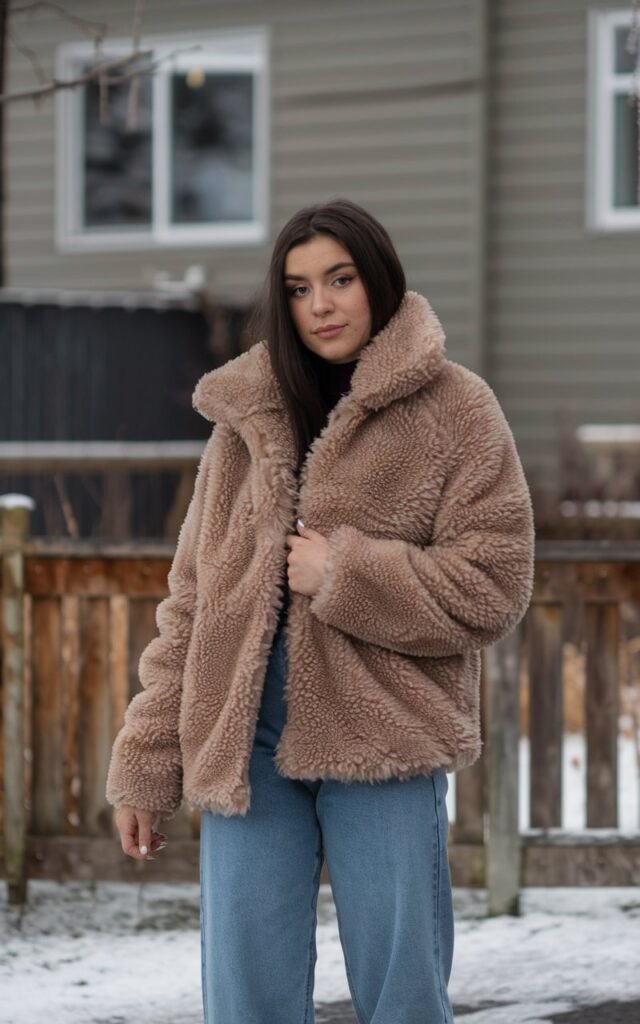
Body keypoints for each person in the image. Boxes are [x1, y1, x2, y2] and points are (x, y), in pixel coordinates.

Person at [106, 197, 535, 1024]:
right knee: (246, 995)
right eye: (300, 288)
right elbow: (191, 604)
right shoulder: (245, 423)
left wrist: (346, 571)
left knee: (402, 995)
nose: (322, 305)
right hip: (243, 741)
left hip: (385, 736)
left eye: (339, 280)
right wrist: (146, 759)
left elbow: (494, 581)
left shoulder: (457, 410)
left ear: (377, 281)